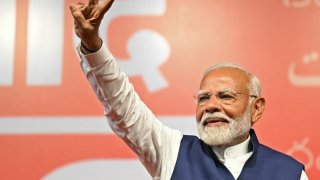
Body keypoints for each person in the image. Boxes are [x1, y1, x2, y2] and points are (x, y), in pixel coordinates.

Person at [70, 0, 308, 179]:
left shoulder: (290, 173)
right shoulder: (171, 152)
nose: (211, 106)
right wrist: (92, 46)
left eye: (226, 96)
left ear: (256, 109)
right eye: (203, 98)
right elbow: (123, 107)